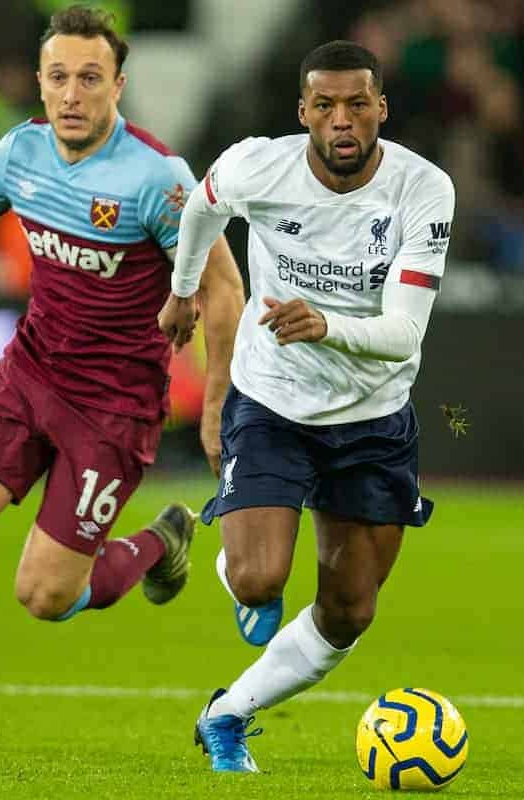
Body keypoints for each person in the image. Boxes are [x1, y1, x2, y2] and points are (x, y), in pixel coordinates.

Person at [0, 5, 244, 747]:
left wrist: (216, 399)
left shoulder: (156, 179)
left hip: (113, 405)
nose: (72, 94)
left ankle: (160, 542)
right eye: (59, 77)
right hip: (28, 372)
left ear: (118, 86)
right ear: (39, 83)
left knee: (45, 595)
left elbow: (223, 287)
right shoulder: (19, 153)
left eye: (89, 78)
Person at [156, 40, 455, 773]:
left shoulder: (424, 190)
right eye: (325, 106)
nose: (342, 120)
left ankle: (225, 716)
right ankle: (232, 564)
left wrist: (327, 324)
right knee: (260, 582)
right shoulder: (262, 163)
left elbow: (403, 333)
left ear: (382, 108)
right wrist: (184, 287)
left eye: (358, 104)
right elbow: (203, 203)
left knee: (350, 610)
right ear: (304, 113)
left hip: (374, 421)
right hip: (273, 404)